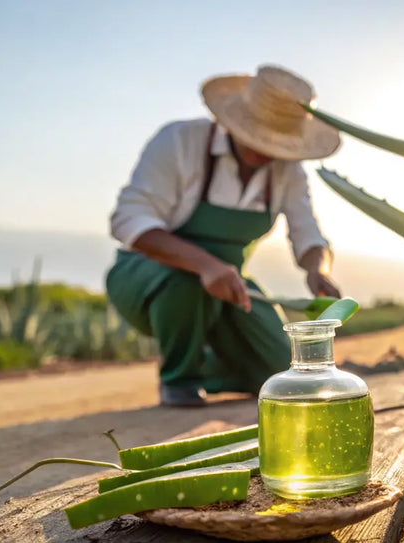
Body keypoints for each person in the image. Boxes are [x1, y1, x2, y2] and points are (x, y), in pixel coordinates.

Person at [106, 65, 342, 407]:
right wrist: (204, 265)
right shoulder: (179, 142)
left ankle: (207, 367)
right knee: (185, 283)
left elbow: (309, 235)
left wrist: (317, 270)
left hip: (229, 283)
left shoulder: (288, 172)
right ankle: (179, 379)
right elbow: (128, 220)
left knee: (283, 372)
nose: (267, 150)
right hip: (149, 276)